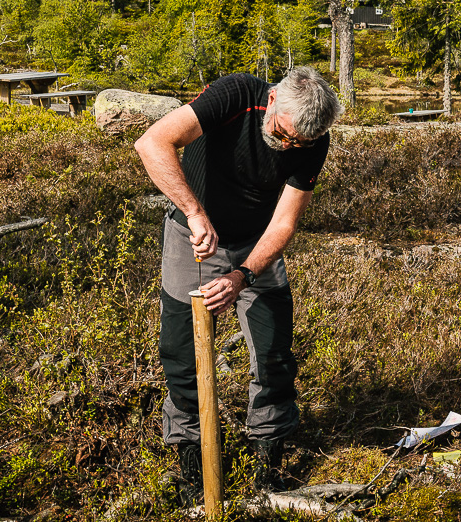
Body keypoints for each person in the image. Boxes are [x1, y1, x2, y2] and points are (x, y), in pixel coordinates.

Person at [134, 66, 342, 503]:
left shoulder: (312, 140)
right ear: (272, 103)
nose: (287, 146)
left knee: (274, 352)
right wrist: (193, 211)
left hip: (256, 243)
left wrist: (242, 274)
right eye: (282, 134)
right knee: (180, 353)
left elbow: (284, 221)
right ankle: (193, 462)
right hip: (191, 236)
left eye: (296, 144)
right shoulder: (236, 95)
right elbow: (152, 142)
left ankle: (268, 464)